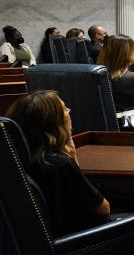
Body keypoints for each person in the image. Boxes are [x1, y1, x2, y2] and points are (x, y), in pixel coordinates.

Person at [7, 90, 110, 235]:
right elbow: (102, 209)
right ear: (54, 121)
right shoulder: (58, 164)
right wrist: (72, 160)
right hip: (77, 242)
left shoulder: (14, 160)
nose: (69, 111)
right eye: (65, 109)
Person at [98, 34, 134, 111]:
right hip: (130, 122)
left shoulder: (95, 77)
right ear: (124, 54)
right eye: (132, 50)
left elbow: (116, 103)